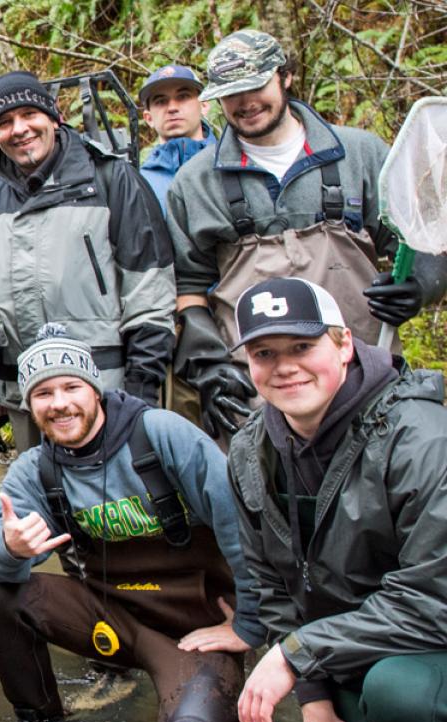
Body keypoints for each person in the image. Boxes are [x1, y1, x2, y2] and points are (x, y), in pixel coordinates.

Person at [0, 327, 260, 722]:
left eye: (71, 387)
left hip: (192, 629)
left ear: (96, 390)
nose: (59, 403)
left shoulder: (161, 434)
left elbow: (240, 523)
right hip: (112, 615)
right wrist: (9, 547)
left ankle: (215, 710)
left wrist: (252, 622)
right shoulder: (36, 467)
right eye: (43, 393)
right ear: (29, 406)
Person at [226, 277, 447, 722]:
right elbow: (274, 587)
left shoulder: (421, 436)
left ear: (344, 344)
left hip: (426, 648)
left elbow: (432, 603)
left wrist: (295, 655)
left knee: (398, 694)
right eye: (264, 353)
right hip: (353, 653)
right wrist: (315, 704)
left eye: (303, 347)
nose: (285, 367)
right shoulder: (250, 449)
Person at [164, 30, 444, 442]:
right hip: (259, 387)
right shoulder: (194, 183)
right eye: (231, 94)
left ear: (286, 76)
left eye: (256, 86)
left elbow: (426, 240)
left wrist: (420, 285)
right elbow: (188, 287)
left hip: (365, 376)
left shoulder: (362, 155)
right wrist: (208, 365)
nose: (245, 103)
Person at [0, 70, 177, 450]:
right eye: (4, 122)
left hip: (107, 393)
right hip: (27, 396)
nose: (19, 129)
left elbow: (150, 293)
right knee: (40, 504)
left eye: (29, 115)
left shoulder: (112, 181)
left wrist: (142, 387)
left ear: (53, 117)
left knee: (114, 508)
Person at [136, 65, 215, 213]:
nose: (172, 108)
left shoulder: (232, 162)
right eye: (161, 101)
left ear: (204, 106)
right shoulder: (139, 183)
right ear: (148, 118)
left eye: (183, 96)